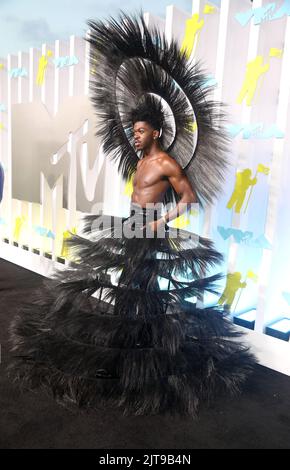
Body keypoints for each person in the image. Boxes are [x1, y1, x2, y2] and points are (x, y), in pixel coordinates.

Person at [9, 12, 255, 418]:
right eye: (134, 131)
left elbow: (188, 196)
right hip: (131, 221)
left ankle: (142, 350)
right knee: (132, 285)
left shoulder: (166, 163)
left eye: (140, 131)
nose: (134, 135)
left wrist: (162, 222)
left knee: (140, 286)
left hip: (150, 226)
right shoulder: (141, 159)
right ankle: (135, 342)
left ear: (156, 132)